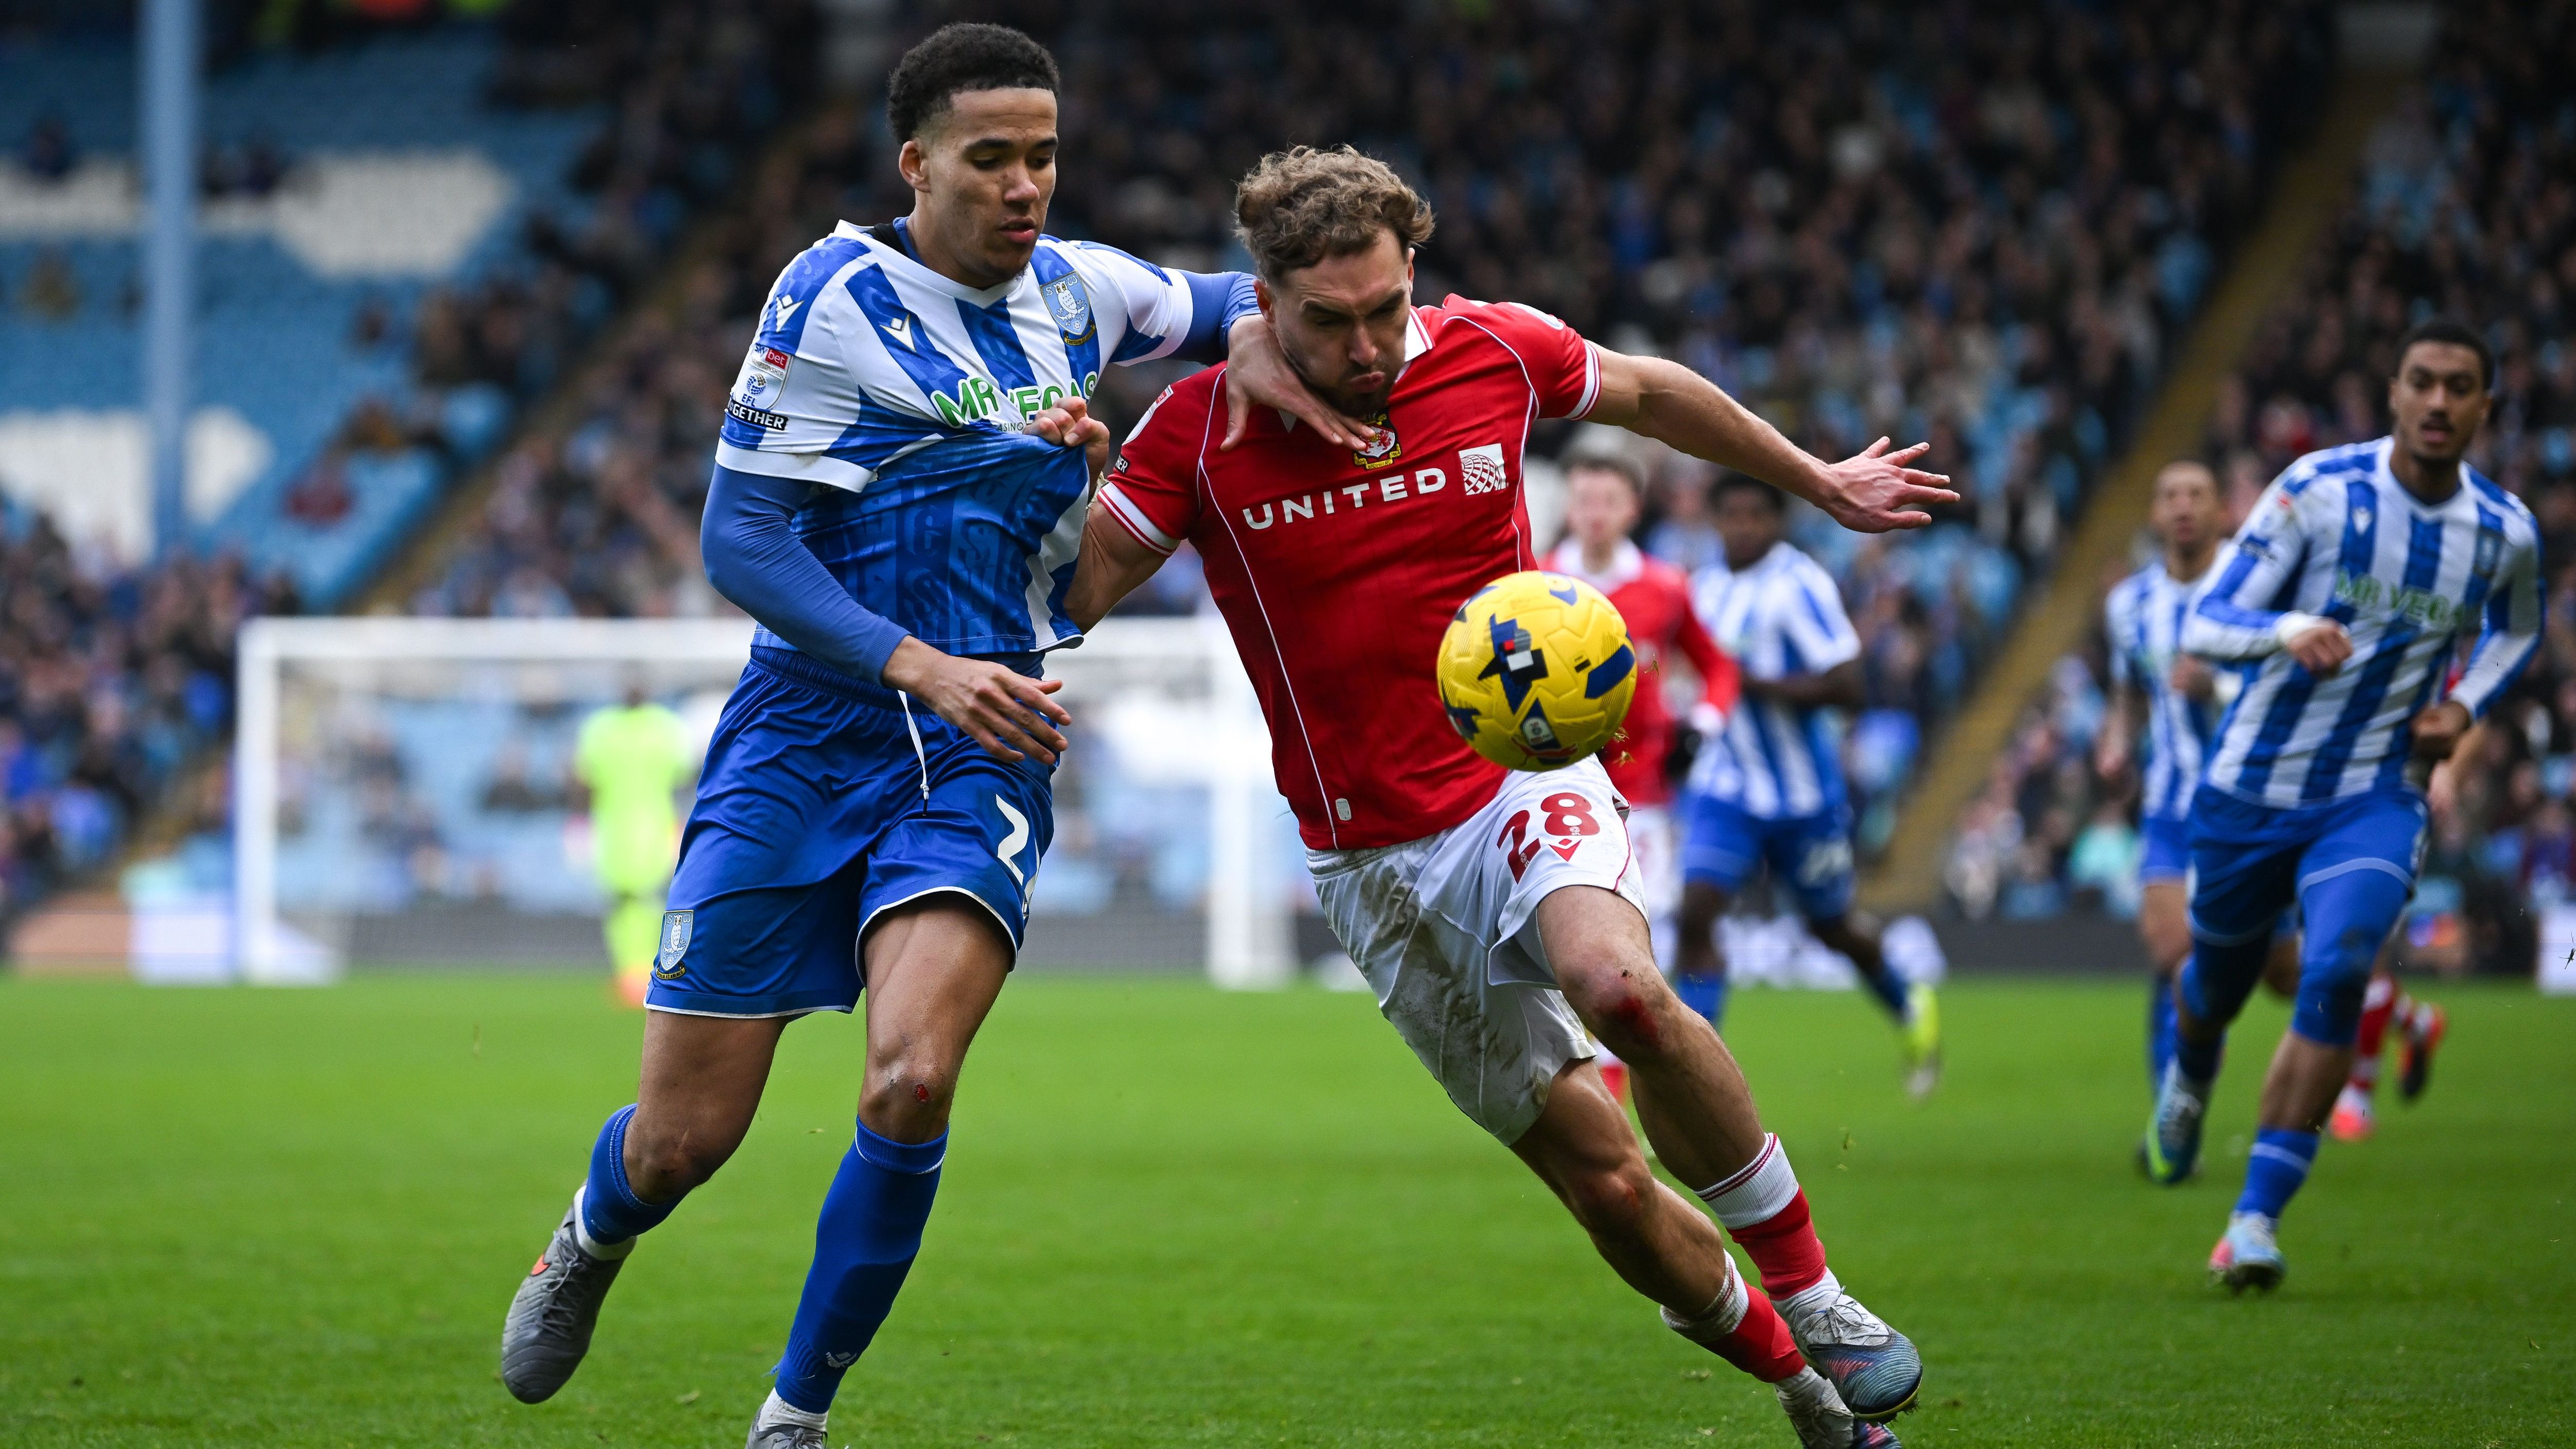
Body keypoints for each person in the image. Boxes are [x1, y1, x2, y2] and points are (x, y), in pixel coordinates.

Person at [493, 27, 1364, 1447]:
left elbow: (1231, 301)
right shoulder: (830, 297)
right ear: (916, 165)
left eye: (1043, 156)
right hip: (806, 729)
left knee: (910, 1074)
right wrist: (921, 664)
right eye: (991, 159)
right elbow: (742, 538)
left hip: (984, 742)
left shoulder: (1083, 290)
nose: (1025, 185)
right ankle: (593, 1232)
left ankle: (794, 1411)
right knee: (683, 1139)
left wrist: (1257, 351)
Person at [1065, 146, 1952, 1448]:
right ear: (1262, 302)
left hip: (1524, 779)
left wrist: (1815, 481)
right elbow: (1076, 596)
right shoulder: (1200, 431)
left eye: (1386, 308)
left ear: (1413, 271)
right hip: (1373, 857)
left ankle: (1814, 1288)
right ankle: (1803, 1392)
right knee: (1605, 1184)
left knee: (1625, 991)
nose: (1369, 346)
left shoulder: (1492, 351)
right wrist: (1047, 477)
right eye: (1329, 321)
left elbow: (1648, 393)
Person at [2150, 319, 2539, 1290]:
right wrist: (2288, 630)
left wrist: (2464, 703)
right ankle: (2191, 1075)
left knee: (2336, 971)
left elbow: (2516, 633)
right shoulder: (2320, 491)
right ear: (2395, 391)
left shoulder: (2504, 532)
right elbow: (2210, 618)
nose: (2440, 402)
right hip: (2250, 788)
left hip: (2375, 791)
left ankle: (2254, 1221)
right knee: (2215, 989)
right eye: (2423, 382)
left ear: (2487, 406)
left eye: (2461, 387)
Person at [1670, 476, 1941, 1097]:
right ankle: (1698, 1081)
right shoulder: (1704, 590)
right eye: (1731, 513)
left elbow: (1851, 687)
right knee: (1695, 913)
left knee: (1830, 927)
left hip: (1802, 797)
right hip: (1727, 789)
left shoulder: (1801, 586)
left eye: (1755, 514)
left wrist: (1754, 684)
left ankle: (1908, 1002)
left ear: (1777, 522)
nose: (1742, 526)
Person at [1547, 455, 1741, 1097]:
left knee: (1634, 947)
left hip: (1643, 792)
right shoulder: (1536, 581)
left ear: (1631, 510)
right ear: (1569, 508)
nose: (1594, 513)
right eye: (1583, 500)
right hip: (1557, 790)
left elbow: (1718, 667)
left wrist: (1705, 724)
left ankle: (1630, 1097)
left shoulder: (1664, 587)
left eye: (1607, 500)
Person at [572, 681, 696, 1007]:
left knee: (636, 902)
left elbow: (583, 782)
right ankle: (638, 973)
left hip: (627, 827)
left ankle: (641, 972)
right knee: (636, 901)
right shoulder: (665, 727)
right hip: (640, 826)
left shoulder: (602, 729)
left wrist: (578, 823)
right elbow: (686, 778)